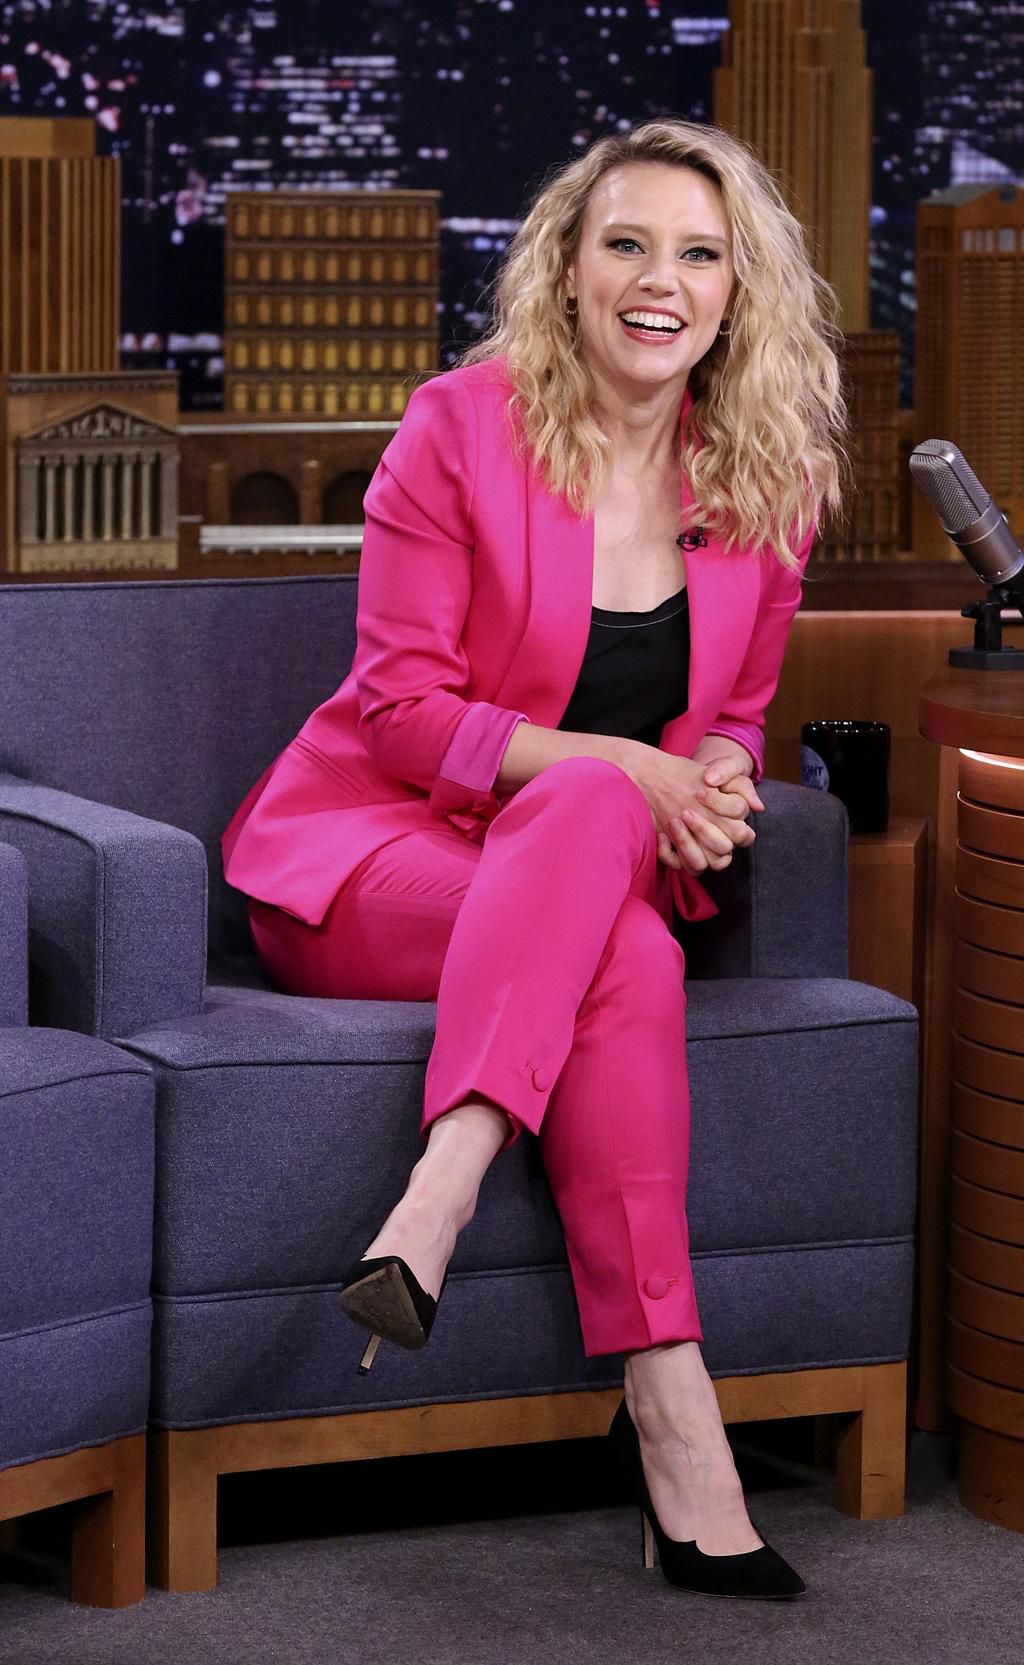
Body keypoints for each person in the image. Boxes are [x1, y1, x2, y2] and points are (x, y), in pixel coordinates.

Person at [222, 117, 847, 1601]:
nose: (660, 280)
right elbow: (400, 710)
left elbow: (736, 719)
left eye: (699, 255)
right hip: (373, 864)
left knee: (611, 898)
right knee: (593, 827)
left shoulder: (769, 482)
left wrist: (715, 782)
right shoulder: (461, 426)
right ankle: (667, 1411)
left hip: (580, 888)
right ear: (568, 270)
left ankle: (460, 1222)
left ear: (738, 290)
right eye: (627, 244)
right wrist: (631, 772)